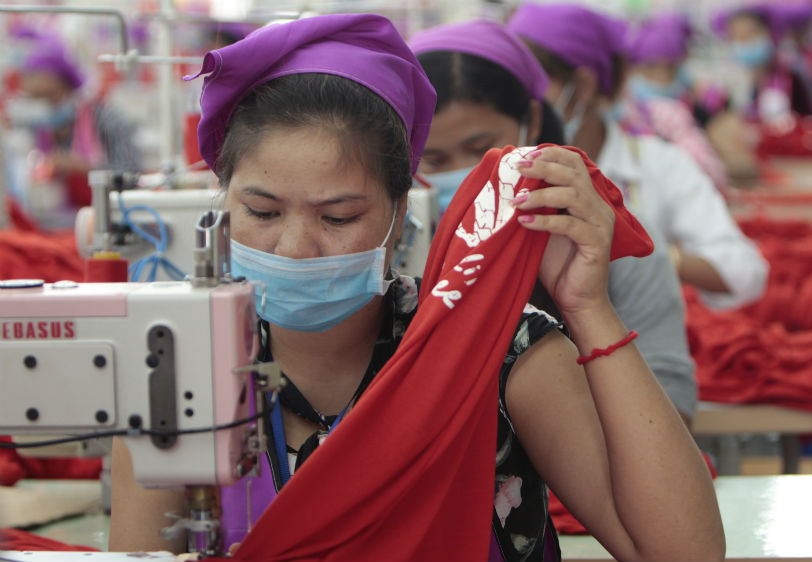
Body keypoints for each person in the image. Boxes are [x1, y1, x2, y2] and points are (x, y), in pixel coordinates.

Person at [108, 14, 724, 561]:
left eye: (339, 217)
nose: (294, 247)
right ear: (221, 204)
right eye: (262, 212)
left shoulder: (498, 353)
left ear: (401, 214)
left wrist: (589, 308)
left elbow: (680, 552)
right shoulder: (179, 365)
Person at [410, 20, 698, 425]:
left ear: (530, 119)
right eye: (434, 161)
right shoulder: (396, 249)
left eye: (482, 150)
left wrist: (589, 308)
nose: (466, 175)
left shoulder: (601, 238)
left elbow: (673, 413)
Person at [509, 3, 768, 310]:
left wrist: (641, 255)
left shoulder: (660, 164)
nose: (519, 99)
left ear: (583, 85)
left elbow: (744, 272)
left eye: (530, 83)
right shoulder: (510, 168)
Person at [16, 35, 141, 209]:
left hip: (103, 216)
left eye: (51, 96)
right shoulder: (37, 129)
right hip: (54, 220)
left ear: (70, 87)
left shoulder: (105, 119)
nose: (45, 106)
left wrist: (84, 169)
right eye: (36, 99)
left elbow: (132, 176)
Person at [619, 13, 731, 191]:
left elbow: (708, 169)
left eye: (669, 70)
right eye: (650, 69)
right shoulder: (623, 114)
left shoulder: (678, 113)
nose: (660, 78)